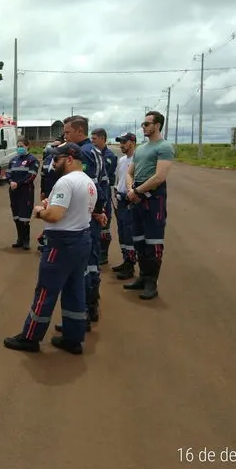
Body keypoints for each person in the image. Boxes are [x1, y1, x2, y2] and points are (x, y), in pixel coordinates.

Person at [3, 143, 98, 355]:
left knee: (46, 290)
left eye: (57, 159)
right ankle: (73, 338)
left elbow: (55, 216)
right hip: (82, 239)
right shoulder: (88, 182)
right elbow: (74, 209)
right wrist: (51, 205)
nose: (53, 163)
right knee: (75, 290)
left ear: (70, 159)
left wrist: (38, 211)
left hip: (62, 243)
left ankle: (30, 337)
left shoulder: (66, 181)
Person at [54, 116, 106, 331]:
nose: (65, 137)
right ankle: (89, 309)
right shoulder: (93, 150)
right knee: (91, 262)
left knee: (83, 267)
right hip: (93, 210)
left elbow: (88, 187)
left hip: (86, 215)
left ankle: (82, 314)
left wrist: (94, 210)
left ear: (78, 131)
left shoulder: (83, 152)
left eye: (67, 132)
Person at [124, 111, 174, 300]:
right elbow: (130, 173)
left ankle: (152, 283)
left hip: (153, 198)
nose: (143, 127)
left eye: (147, 124)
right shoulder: (141, 149)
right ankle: (142, 277)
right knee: (138, 238)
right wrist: (131, 190)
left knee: (153, 241)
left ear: (158, 125)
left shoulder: (165, 147)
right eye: (143, 124)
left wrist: (137, 192)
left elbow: (159, 177)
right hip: (136, 195)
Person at [110, 132, 138, 280]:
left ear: (132, 142)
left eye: (124, 142)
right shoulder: (121, 160)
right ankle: (125, 260)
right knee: (121, 231)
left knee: (129, 232)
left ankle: (131, 264)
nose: (121, 145)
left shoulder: (138, 159)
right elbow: (119, 178)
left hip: (130, 200)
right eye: (120, 142)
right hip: (120, 198)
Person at [5, 136, 40, 250]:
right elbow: (8, 173)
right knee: (16, 217)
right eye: (18, 146)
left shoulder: (32, 160)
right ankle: (19, 239)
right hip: (14, 191)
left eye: (22, 146)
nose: (20, 148)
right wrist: (10, 181)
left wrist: (18, 183)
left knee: (24, 217)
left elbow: (31, 176)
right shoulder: (13, 160)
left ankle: (26, 240)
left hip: (25, 191)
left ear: (27, 146)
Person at [91, 127, 116, 265]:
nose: (92, 141)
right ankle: (98, 251)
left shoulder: (108, 156)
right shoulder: (96, 154)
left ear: (102, 138)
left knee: (104, 226)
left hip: (104, 193)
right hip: (96, 193)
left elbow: (103, 175)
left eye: (94, 139)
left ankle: (103, 254)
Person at [37, 136, 63, 250]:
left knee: (56, 218)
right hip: (48, 192)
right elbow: (43, 176)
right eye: (53, 146)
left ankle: (52, 243)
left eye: (57, 146)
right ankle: (46, 242)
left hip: (60, 194)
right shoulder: (47, 159)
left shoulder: (63, 162)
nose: (54, 148)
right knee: (47, 220)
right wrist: (42, 191)